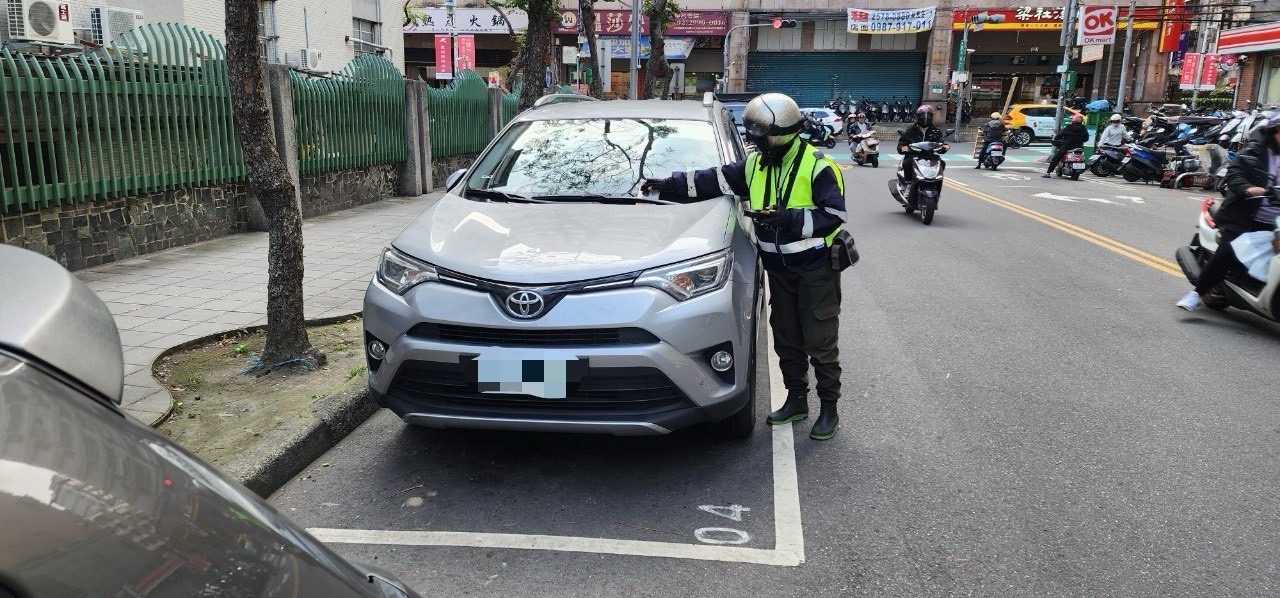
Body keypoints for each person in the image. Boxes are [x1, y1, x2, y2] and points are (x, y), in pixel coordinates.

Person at [641, 93, 847, 440]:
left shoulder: (818, 166)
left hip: (815, 271)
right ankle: (797, 400)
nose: (754, 141)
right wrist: (667, 184)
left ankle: (829, 408)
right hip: (778, 270)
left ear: (779, 132)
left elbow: (834, 216)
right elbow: (711, 179)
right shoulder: (756, 164)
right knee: (786, 337)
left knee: (820, 341)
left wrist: (789, 219)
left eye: (759, 135)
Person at [1176, 114, 1280, 310]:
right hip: (1245, 216)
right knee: (1228, 252)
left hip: (1275, 220)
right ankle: (1196, 293)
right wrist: (1248, 189)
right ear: (1274, 132)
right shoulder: (1255, 152)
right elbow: (1235, 174)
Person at [898, 105, 949, 181]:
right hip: (914, 155)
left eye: (928, 115)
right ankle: (908, 183)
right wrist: (902, 147)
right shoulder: (910, 130)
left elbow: (940, 143)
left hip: (930, 156)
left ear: (931, 117)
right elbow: (902, 142)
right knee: (907, 163)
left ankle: (936, 182)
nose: (925, 118)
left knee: (942, 163)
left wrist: (944, 147)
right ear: (918, 116)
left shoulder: (936, 131)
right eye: (922, 116)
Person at [1043, 113, 1089, 178]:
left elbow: (1060, 135)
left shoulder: (1069, 127)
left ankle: (1048, 173)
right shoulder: (1083, 128)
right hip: (1078, 147)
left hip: (1067, 146)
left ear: (1073, 120)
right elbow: (1086, 138)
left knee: (1056, 158)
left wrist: (1056, 138)